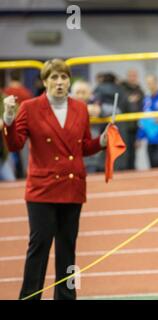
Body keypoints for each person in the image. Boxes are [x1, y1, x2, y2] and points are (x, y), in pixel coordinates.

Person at [2, 59, 109, 300]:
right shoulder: (29, 108)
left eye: (63, 77)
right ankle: (30, 296)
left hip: (72, 188)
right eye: (54, 77)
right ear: (44, 81)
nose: (59, 82)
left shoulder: (80, 108)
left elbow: (82, 147)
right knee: (39, 248)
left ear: (69, 80)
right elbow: (15, 144)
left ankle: (66, 296)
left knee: (67, 250)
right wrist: (8, 119)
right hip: (42, 190)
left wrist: (101, 142)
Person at [71, 80, 103, 173]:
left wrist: (100, 110)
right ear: (72, 94)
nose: (80, 96)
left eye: (83, 92)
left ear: (90, 94)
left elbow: (116, 111)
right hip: (72, 156)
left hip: (91, 157)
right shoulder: (66, 106)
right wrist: (85, 110)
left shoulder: (96, 105)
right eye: (77, 92)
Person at [120, 68, 145, 169]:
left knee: (133, 154)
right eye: (131, 76)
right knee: (123, 153)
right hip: (123, 127)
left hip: (135, 127)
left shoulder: (140, 91)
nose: (133, 78)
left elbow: (143, 109)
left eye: (134, 76)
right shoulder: (122, 89)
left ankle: (131, 172)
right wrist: (128, 101)